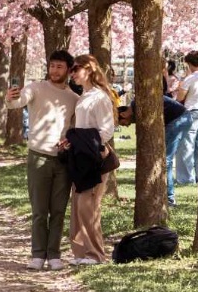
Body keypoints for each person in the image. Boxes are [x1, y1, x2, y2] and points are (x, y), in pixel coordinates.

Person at [6, 50, 78, 271]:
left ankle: (54, 254)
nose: (55, 70)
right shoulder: (36, 88)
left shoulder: (74, 98)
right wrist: (11, 97)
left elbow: (74, 128)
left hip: (62, 160)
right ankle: (37, 254)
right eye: (52, 66)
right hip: (38, 156)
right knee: (39, 210)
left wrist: (68, 141)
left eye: (60, 67)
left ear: (68, 70)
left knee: (58, 210)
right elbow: (18, 102)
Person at [64, 54, 115, 265]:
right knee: (78, 204)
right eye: (72, 69)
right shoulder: (85, 95)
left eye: (76, 68)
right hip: (80, 154)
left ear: (89, 69)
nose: (72, 73)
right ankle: (81, 253)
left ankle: (96, 254)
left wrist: (86, 144)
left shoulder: (100, 97)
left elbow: (107, 130)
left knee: (89, 204)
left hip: (93, 156)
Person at [118, 94, 187, 206]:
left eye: (123, 123)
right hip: (179, 119)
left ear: (123, 114)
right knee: (165, 159)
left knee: (165, 160)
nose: (126, 126)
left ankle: (169, 198)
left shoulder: (137, 105)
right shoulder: (136, 106)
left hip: (179, 120)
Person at [174, 51, 198, 185]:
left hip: (191, 111)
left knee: (186, 145)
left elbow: (180, 97)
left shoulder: (190, 78)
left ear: (189, 64)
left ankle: (185, 177)